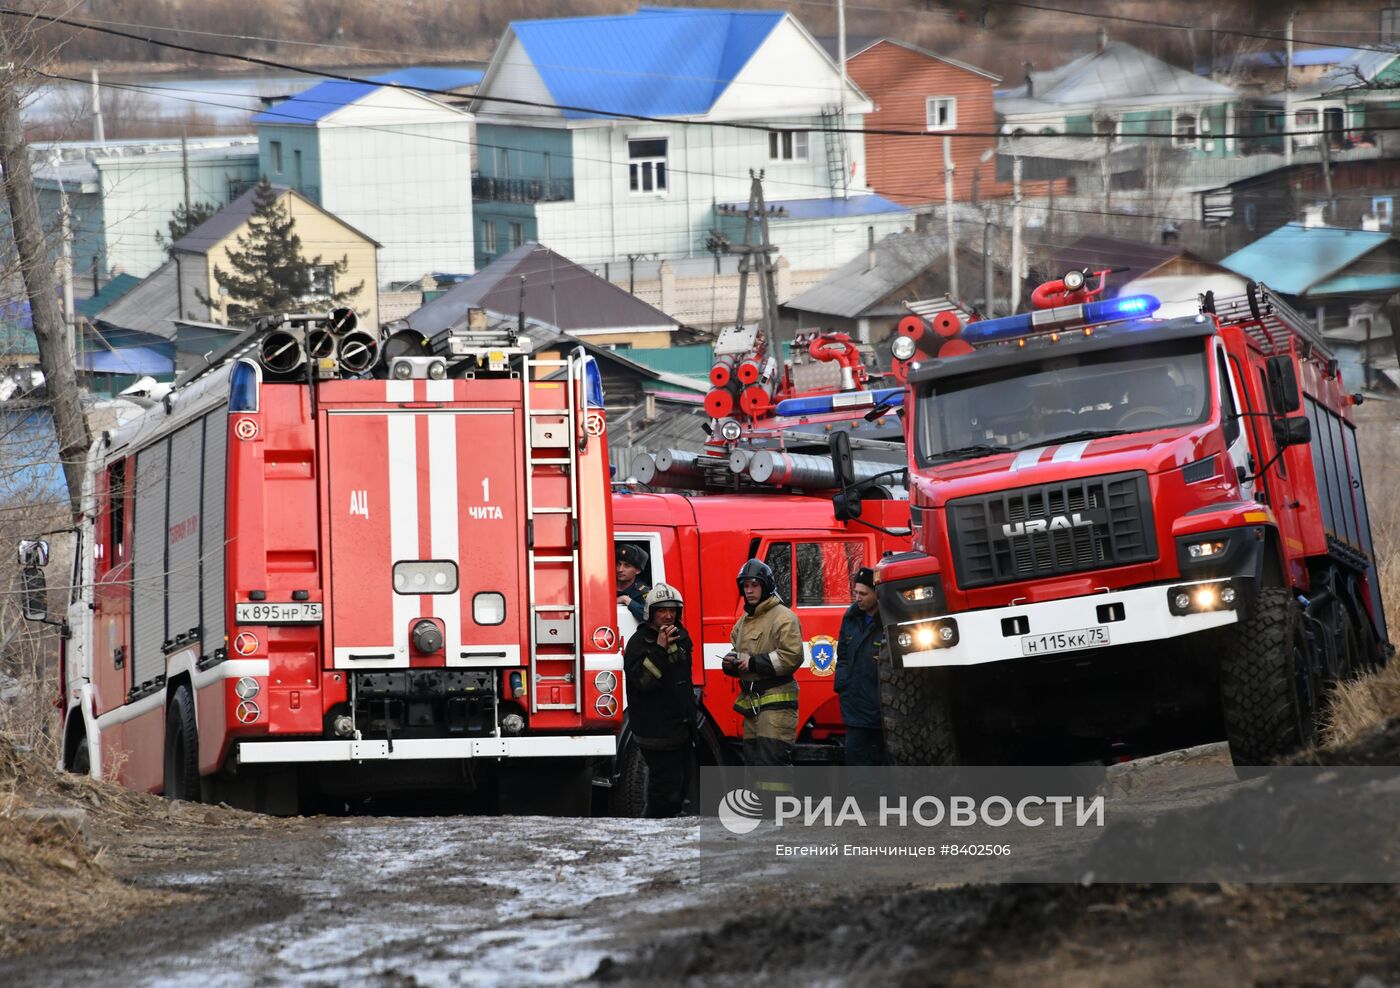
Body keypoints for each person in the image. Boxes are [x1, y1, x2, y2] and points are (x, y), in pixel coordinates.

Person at [622, 583, 697, 817]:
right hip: (655, 731)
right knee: (663, 792)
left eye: (672, 610)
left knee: (680, 788)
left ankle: (671, 826)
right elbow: (644, 682)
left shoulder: (681, 637)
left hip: (681, 729)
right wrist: (660, 649)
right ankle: (653, 831)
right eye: (662, 610)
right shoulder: (639, 643)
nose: (668, 615)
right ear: (651, 613)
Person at [723, 558, 803, 766]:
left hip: (776, 707)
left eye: (754, 585)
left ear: (766, 586)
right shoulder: (744, 621)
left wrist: (753, 663)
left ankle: (778, 801)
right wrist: (731, 662)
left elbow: (792, 656)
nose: (749, 590)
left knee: (773, 769)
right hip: (752, 705)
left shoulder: (784, 617)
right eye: (745, 586)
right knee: (755, 768)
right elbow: (741, 652)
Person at [834, 567, 886, 766]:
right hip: (854, 707)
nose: (857, 597)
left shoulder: (889, 620)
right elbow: (843, 656)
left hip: (881, 710)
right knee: (856, 765)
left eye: (863, 593)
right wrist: (843, 684)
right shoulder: (850, 618)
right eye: (855, 592)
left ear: (877, 594)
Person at [615, 543, 650, 623]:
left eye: (627, 566)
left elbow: (649, 617)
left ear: (638, 570)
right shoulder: (605, 585)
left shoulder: (643, 590)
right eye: (619, 564)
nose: (620, 569)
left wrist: (626, 600)